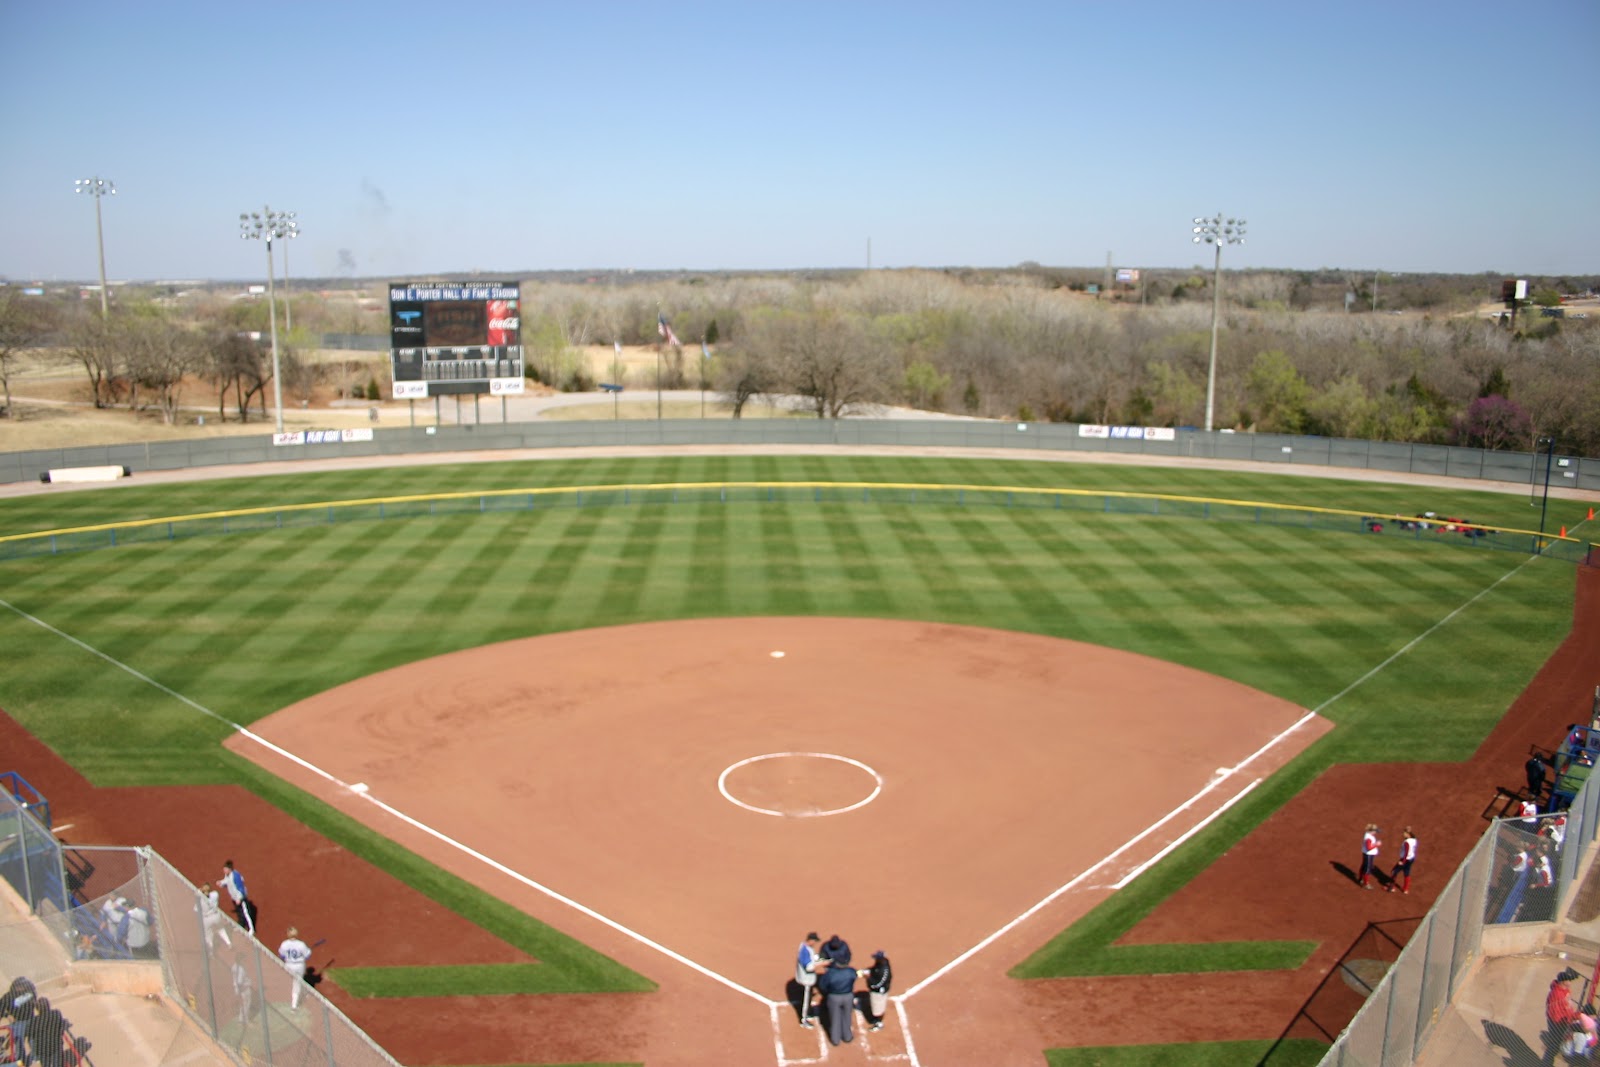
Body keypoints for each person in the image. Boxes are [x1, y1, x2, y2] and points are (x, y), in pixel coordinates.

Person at [813, 942, 858, 1047]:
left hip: (833, 997)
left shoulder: (830, 974)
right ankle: (847, 1037)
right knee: (847, 1016)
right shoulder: (851, 971)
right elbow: (854, 978)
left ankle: (835, 1039)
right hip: (848, 996)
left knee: (835, 1018)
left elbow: (823, 985)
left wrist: (827, 993)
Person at [1548, 967, 1598, 1053]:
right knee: (1557, 1041)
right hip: (1559, 1021)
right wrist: (1574, 1017)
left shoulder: (1565, 990)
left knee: (1564, 1037)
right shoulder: (1557, 995)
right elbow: (1556, 1013)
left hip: (1565, 1019)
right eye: (1569, 981)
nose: (1570, 983)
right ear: (1563, 982)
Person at [2, 976, 37, 1066]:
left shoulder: (30, 994)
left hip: (30, 1022)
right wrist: (6, 1015)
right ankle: (22, 1061)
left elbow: (16, 1003)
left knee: (34, 1045)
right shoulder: (8, 997)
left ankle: (29, 1060)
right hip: (18, 1024)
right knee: (19, 1046)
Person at [278, 927, 313, 1010]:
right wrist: (308, 951)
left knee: (292, 981)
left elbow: (282, 955)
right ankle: (294, 1005)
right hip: (299, 966)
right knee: (297, 983)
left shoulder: (284, 944)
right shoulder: (301, 944)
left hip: (289, 965)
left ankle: (298, 994)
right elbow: (307, 956)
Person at [794, 932, 824, 1027]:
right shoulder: (804, 951)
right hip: (806, 979)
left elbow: (810, 959)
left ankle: (807, 1014)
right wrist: (821, 964)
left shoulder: (805, 947)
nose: (815, 943)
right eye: (814, 941)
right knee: (806, 1000)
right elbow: (809, 967)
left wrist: (817, 958)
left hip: (807, 979)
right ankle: (804, 1019)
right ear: (810, 940)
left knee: (808, 996)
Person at [221, 860, 256, 937]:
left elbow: (241, 888)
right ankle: (241, 926)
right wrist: (221, 883)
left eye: (225, 869)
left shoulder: (235, 876)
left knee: (246, 913)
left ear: (229, 869)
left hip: (240, 898)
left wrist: (239, 899)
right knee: (240, 913)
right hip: (235, 898)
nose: (224, 871)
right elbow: (226, 882)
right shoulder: (227, 875)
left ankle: (251, 929)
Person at [861, 950, 892, 1031]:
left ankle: (878, 1023)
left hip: (879, 991)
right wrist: (868, 970)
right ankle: (877, 1019)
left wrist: (868, 978)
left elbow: (878, 984)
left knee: (877, 1008)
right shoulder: (880, 963)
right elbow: (874, 969)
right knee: (875, 1006)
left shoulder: (884, 970)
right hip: (875, 988)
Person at [199, 881, 233, 951]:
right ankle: (228, 943)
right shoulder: (215, 894)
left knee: (208, 934)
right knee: (220, 929)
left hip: (206, 919)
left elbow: (196, 909)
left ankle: (210, 949)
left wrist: (201, 890)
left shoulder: (200, 899)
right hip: (216, 916)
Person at [1386, 828, 1418, 894]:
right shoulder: (1414, 840)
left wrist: (1402, 862)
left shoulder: (1407, 842)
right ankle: (1405, 889)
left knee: (1394, 871)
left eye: (1404, 833)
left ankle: (1392, 888)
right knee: (1407, 873)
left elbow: (1406, 852)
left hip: (1405, 859)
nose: (1403, 834)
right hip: (1411, 858)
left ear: (1408, 834)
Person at [230, 952, 255, 1027]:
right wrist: (243, 990)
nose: (245, 960)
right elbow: (240, 982)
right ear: (240, 959)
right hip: (244, 989)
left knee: (243, 1005)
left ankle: (241, 1020)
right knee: (246, 1005)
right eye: (243, 959)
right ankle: (246, 1021)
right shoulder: (241, 969)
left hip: (238, 988)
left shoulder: (234, 966)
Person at [1358, 824, 1381, 889]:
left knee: (1364, 866)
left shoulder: (1368, 835)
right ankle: (1366, 884)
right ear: (1372, 831)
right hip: (1368, 854)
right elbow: (1369, 847)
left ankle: (1360, 879)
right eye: (1375, 831)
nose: (1376, 832)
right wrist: (1376, 844)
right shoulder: (1368, 838)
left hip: (1367, 854)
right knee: (1367, 868)